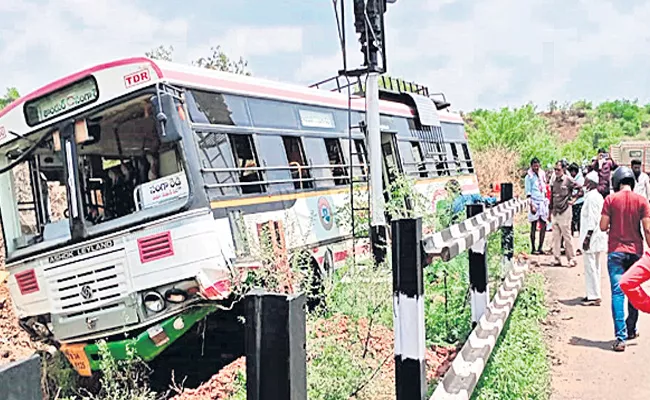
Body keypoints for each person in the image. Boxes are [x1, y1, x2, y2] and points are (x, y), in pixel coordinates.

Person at [599, 166, 650, 351]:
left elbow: (603, 226)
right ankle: (631, 328)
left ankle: (620, 338)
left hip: (615, 252)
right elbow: (647, 229)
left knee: (618, 292)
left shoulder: (610, 199)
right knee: (632, 289)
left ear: (616, 182)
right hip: (635, 251)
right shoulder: (642, 201)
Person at [580, 171, 607, 306]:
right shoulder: (598, 196)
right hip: (597, 237)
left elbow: (591, 219)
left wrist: (587, 238)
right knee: (595, 266)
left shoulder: (591, 198)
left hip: (591, 237)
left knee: (590, 266)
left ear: (590, 183)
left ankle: (593, 296)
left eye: (585, 181)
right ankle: (594, 293)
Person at [550, 160, 582, 267]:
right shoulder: (553, 180)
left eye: (558, 169)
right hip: (555, 211)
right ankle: (556, 258)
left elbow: (580, 189)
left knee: (567, 235)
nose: (556, 172)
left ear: (563, 170)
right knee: (556, 236)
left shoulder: (568, 180)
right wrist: (550, 210)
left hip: (565, 210)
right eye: (555, 170)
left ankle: (572, 258)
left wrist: (573, 200)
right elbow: (552, 196)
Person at [525, 157, 548, 255]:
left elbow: (544, 187)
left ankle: (540, 247)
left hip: (542, 200)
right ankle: (533, 248)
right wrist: (531, 205)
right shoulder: (528, 177)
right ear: (531, 166)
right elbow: (528, 193)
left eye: (537, 165)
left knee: (543, 224)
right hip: (534, 201)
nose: (536, 167)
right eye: (534, 166)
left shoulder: (542, 174)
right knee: (533, 225)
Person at [568, 163, 585, 237]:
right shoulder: (569, 178)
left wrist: (574, 197)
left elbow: (581, 192)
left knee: (579, 221)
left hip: (579, 202)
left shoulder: (580, 179)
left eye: (573, 172)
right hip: (571, 203)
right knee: (571, 221)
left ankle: (580, 237)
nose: (572, 173)